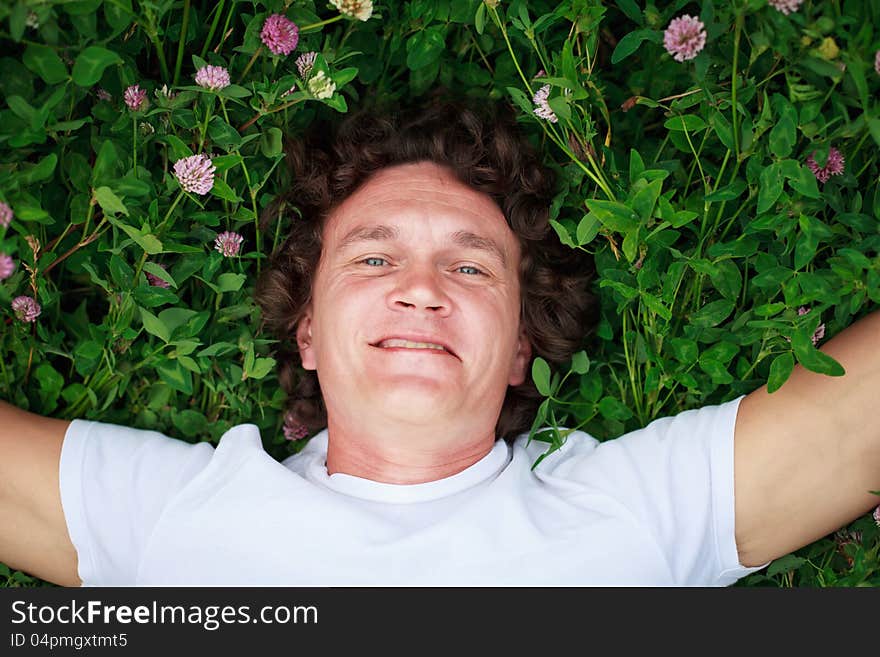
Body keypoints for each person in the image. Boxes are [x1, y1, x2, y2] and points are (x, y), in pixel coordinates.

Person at [1, 97, 878, 586]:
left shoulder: (632, 510)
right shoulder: (170, 512)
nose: (419, 289)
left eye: (470, 269)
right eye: (375, 256)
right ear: (307, 328)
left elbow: (853, 423)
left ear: (525, 344)